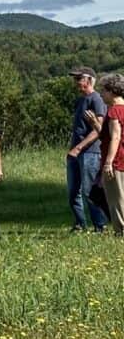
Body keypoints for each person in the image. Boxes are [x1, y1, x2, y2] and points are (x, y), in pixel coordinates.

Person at [67, 66, 108, 232]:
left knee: (89, 191)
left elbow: (99, 129)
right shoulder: (80, 100)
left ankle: (100, 226)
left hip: (90, 152)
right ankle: (79, 224)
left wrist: (79, 147)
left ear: (89, 80)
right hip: (75, 152)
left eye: (79, 79)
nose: (76, 82)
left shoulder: (96, 99)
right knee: (73, 192)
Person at [91, 74, 124, 234]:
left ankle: (121, 231)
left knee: (116, 199)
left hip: (117, 161)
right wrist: (96, 125)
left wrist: (109, 162)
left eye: (103, 91)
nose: (101, 95)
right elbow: (107, 136)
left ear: (112, 91)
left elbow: (115, 137)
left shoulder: (113, 112)